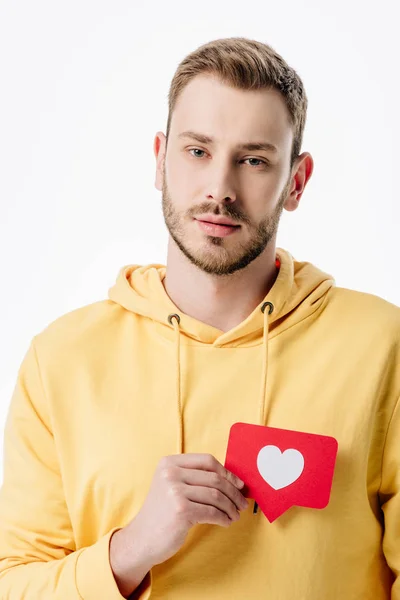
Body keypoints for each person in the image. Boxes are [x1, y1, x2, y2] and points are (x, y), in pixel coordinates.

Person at [0, 35, 399, 600]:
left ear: (297, 182)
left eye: (254, 160)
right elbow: (14, 583)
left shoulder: (383, 347)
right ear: (160, 160)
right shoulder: (60, 360)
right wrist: (130, 551)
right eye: (197, 151)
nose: (220, 189)